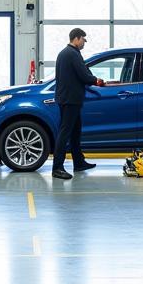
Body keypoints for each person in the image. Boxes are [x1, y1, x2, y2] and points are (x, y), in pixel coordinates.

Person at [51, 28, 104, 180]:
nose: (84, 43)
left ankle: (79, 162)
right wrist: (97, 81)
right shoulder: (72, 54)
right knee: (65, 132)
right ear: (77, 38)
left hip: (68, 98)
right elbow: (83, 75)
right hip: (70, 100)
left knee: (75, 132)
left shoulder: (64, 53)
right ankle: (57, 168)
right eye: (83, 40)